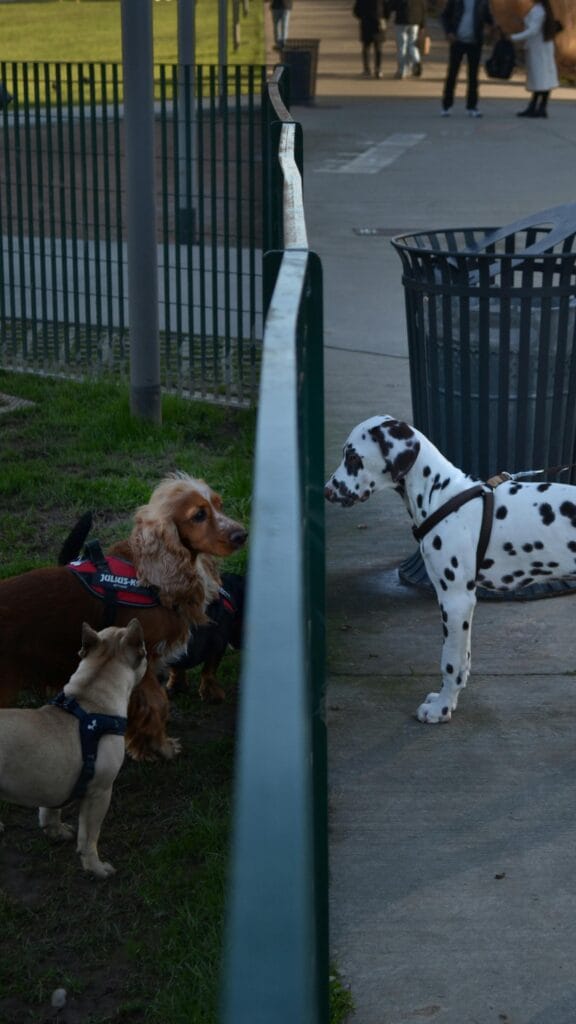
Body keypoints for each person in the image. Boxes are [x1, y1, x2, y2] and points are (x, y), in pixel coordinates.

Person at [440, 0, 493, 117]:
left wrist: (491, 27)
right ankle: (447, 106)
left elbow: (488, 17)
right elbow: (444, 16)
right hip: (457, 41)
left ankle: (472, 106)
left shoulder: (482, 2)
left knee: (473, 76)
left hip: (475, 42)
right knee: (452, 74)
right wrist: (448, 32)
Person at [509, 0, 559, 117]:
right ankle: (540, 106)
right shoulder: (543, 9)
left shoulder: (538, 10)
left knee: (539, 78)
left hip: (538, 48)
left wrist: (514, 37)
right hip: (544, 46)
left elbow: (533, 30)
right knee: (545, 78)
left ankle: (536, 107)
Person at [385, 0, 428, 79]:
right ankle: (416, 61)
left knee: (402, 47)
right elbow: (423, 9)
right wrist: (422, 25)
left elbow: (390, 6)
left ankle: (402, 71)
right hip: (415, 22)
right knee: (412, 45)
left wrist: (386, 17)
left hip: (401, 22)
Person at [353, 0, 387, 79]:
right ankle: (378, 69)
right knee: (378, 48)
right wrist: (383, 18)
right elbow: (387, 10)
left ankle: (367, 69)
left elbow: (356, 11)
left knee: (366, 48)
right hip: (378, 25)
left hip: (366, 24)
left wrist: (363, 17)